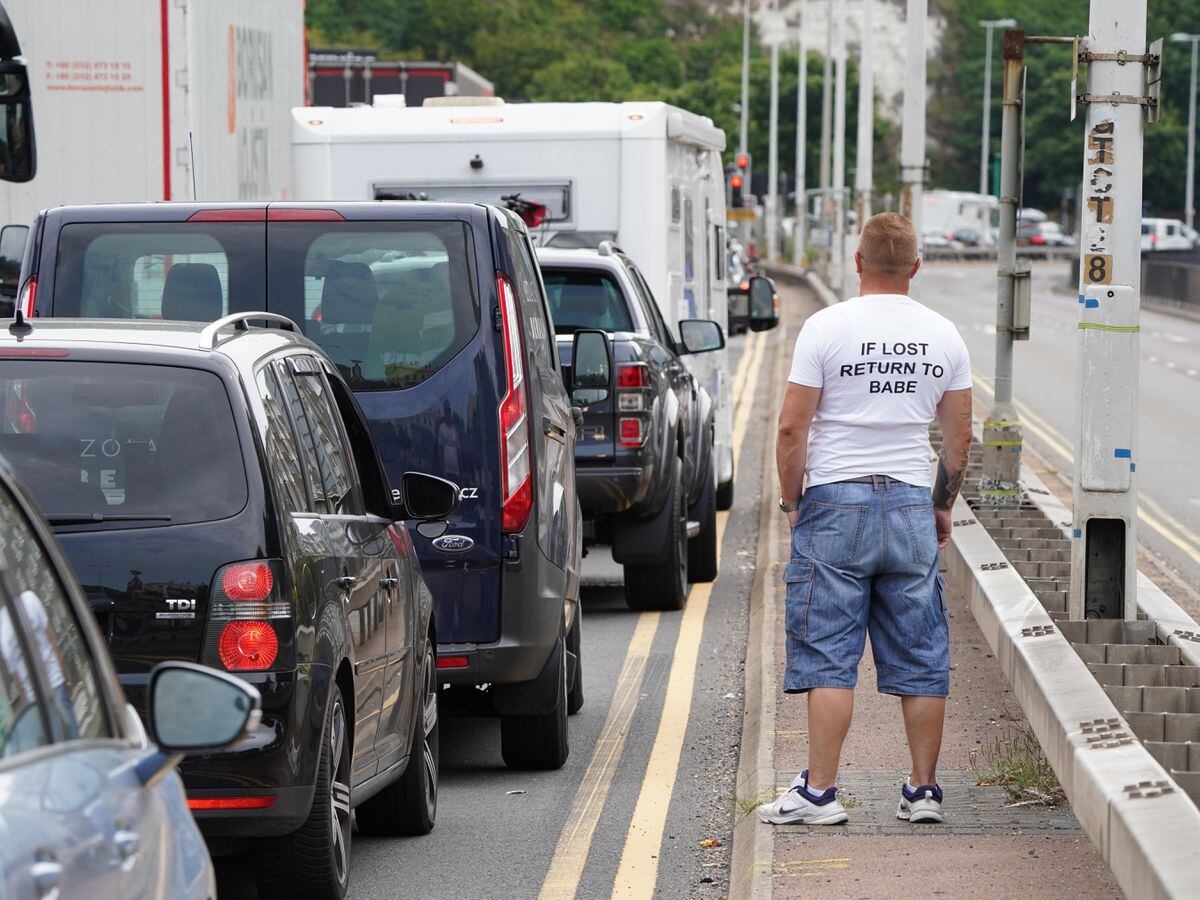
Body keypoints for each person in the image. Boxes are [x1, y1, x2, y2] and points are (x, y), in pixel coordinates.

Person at [759, 212, 974, 827]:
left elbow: (791, 427)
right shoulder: (944, 335)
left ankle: (821, 794)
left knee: (829, 654)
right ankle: (923, 791)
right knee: (920, 653)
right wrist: (940, 506)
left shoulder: (826, 328)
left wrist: (793, 501)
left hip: (835, 502)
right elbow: (959, 438)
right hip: (909, 501)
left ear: (857, 262)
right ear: (916, 267)